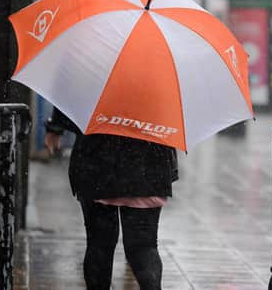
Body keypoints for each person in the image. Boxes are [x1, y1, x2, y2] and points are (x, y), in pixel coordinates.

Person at [44, 107, 179, 290]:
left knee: (99, 243)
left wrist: (56, 126)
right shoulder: (165, 79)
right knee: (143, 245)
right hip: (149, 157)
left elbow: (71, 90)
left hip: (98, 157)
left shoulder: (92, 77)